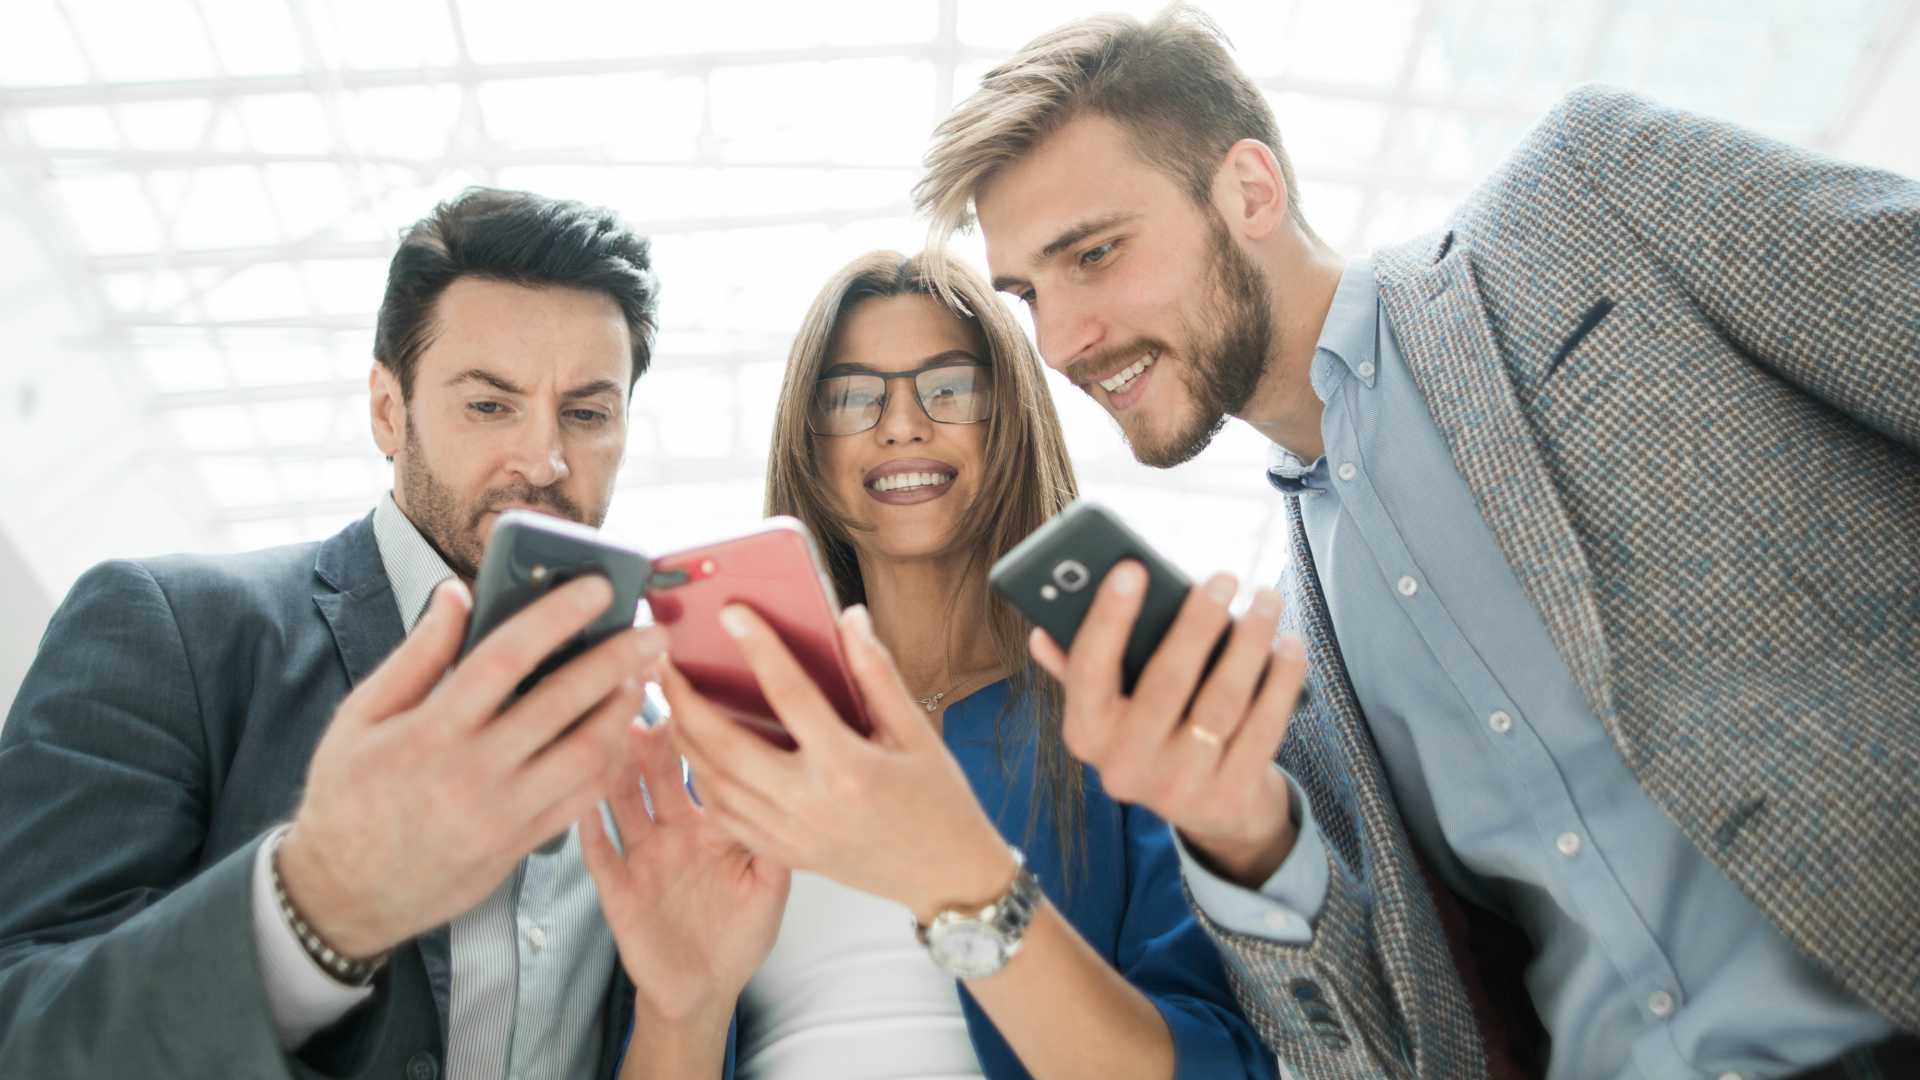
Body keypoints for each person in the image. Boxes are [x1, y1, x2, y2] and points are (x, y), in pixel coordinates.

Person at [911, 7, 1920, 1080]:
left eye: (1095, 254)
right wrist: (1241, 833)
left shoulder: (1585, 200)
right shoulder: (1288, 658)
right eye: (1030, 294)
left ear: (1251, 191)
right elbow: (1382, 1053)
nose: (1061, 340)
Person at [0, 187, 667, 1078]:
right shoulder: (173, 630)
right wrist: (315, 908)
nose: (544, 461)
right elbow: (21, 1025)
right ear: (388, 412)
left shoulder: (658, 753)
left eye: (586, 414)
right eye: (489, 406)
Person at [578, 249, 1284, 1079]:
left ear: (1010, 418)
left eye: (949, 388)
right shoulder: (733, 755)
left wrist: (963, 886)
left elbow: (1218, 1063)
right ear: (809, 445)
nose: (901, 425)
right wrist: (678, 1011)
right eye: (851, 397)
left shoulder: (1125, 719)